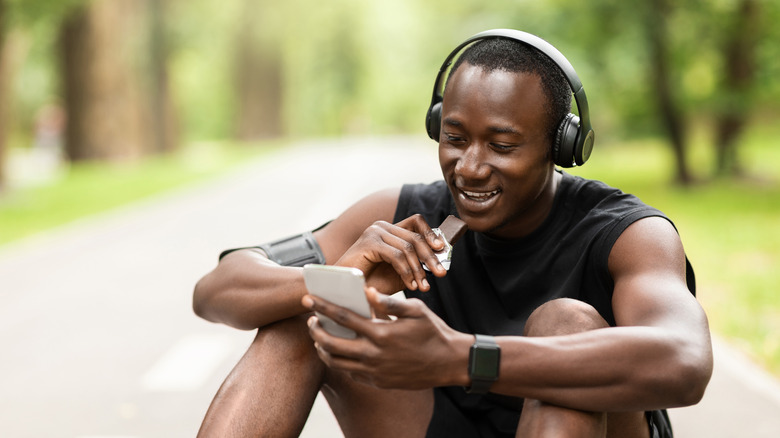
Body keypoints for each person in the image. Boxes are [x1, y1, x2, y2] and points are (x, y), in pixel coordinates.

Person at [193, 29, 712, 438]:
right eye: (455, 138)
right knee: (308, 314)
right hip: (437, 422)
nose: (469, 167)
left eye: (502, 145)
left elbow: (685, 360)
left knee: (567, 322)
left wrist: (461, 357)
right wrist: (339, 276)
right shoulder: (404, 213)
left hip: (583, 425)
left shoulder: (626, 233)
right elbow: (217, 290)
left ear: (561, 147)